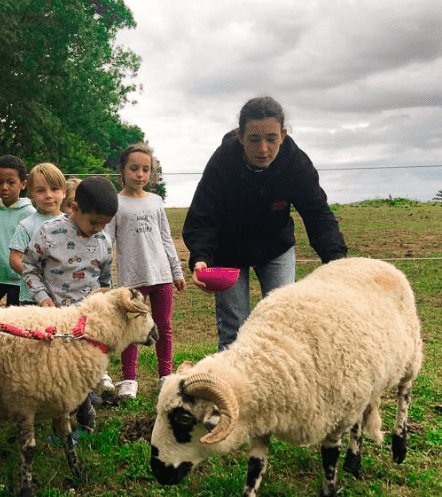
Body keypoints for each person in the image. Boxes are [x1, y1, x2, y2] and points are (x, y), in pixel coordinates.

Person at [183, 97, 347, 350]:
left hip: (275, 248)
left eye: (271, 139)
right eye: (254, 140)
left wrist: (336, 261)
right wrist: (201, 257)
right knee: (234, 328)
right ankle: (230, 387)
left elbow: (317, 213)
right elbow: (203, 215)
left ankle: (278, 386)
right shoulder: (222, 162)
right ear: (240, 136)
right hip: (229, 250)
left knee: (282, 322)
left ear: (282, 135)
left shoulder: (296, 163)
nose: (263, 149)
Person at [22, 176, 119, 430]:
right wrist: (43, 300)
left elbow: (105, 283)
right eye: (94, 222)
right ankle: (61, 424)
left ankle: (86, 418)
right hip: (56, 320)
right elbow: (29, 267)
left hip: (87, 323)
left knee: (82, 371)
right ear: (75, 209)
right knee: (59, 375)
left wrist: (105, 310)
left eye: (105, 224)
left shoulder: (104, 242)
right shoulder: (49, 232)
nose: (99, 228)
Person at [106, 143, 185, 401]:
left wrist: (176, 271)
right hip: (132, 280)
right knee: (131, 329)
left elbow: (166, 238)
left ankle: (165, 376)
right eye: (134, 169)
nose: (140, 175)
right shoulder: (115, 204)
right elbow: (107, 242)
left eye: (145, 169)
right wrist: (107, 279)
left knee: (164, 326)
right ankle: (129, 380)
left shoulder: (155, 201)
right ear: (122, 171)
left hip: (161, 276)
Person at [0, 155, 35, 306]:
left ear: (23, 184)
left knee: (14, 323)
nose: (4, 187)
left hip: (19, 281)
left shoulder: (30, 214)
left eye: (11, 182)